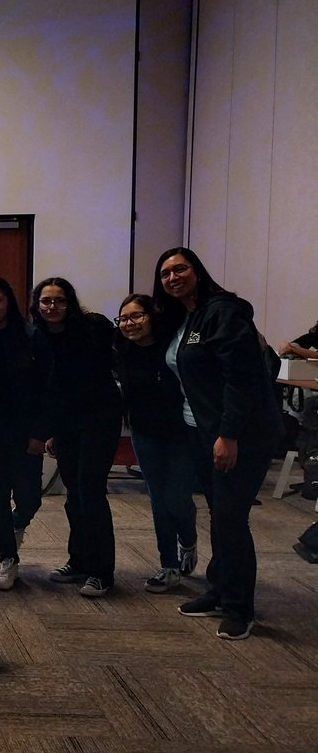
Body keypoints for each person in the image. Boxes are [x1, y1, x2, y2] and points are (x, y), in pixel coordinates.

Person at [154, 247, 281, 640]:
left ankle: (240, 609)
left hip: (237, 435)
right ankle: (220, 589)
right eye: (165, 274)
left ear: (197, 271)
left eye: (180, 269)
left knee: (230, 518)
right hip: (201, 431)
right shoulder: (188, 315)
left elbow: (242, 379)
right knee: (219, 514)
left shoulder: (223, 311)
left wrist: (229, 434)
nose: (173, 278)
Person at [31, 277, 121, 597]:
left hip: (99, 419)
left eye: (59, 300)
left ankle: (102, 572)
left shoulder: (94, 327)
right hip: (66, 425)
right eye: (46, 301)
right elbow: (50, 390)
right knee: (74, 495)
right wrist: (50, 430)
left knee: (91, 492)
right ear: (37, 304)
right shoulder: (37, 337)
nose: (52, 307)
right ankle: (79, 559)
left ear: (70, 303)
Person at [0, 276, 53, 592]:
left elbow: (46, 389)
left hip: (25, 431)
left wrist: (40, 433)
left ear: (9, 303)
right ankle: (8, 558)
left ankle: (19, 524)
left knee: (30, 497)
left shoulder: (32, 337)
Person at [114, 293, 199, 591]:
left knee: (177, 497)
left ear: (152, 317)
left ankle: (187, 539)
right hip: (143, 432)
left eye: (137, 316)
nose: (129, 323)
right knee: (158, 498)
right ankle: (168, 566)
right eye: (124, 318)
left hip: (180, 433)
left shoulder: (172, 349)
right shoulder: (122, 350)